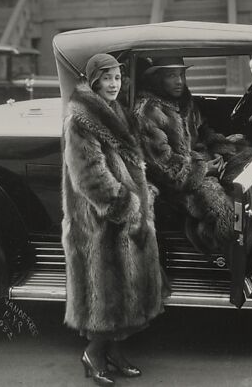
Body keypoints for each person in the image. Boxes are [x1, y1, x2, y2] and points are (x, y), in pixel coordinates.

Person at [61, 53, 168, 386]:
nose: (113, 84)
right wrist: (128, 206)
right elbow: (90, 176)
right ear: (94, 80)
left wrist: (143, 190)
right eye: (107, 78)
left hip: (124, 218)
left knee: (127, 294)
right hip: (99, 223)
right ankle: (93, 354)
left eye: (117, 78)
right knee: (105, 298)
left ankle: (115, 353)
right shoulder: (81, 119)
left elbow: (128, 163)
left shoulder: (116, 111)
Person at [133, 56, 252, 253]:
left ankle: (248, 242)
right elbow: (164, 167)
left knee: (249, 159)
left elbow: (204, 132)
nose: (180, 81)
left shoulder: (183, 101)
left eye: (182, 74)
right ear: (157, 78)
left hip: (198, 163)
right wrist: (205, 169)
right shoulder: (148, 111)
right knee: (226, 213)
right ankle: (216, 252)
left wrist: (224, 150)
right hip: (174, 183)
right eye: (172, 75)